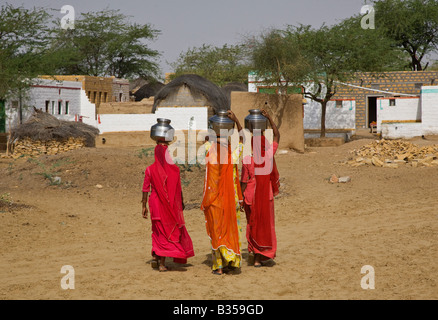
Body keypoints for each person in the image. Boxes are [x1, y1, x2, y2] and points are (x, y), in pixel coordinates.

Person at [202, 110, 244, 275]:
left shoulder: (207, 149)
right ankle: (231, 262)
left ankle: (219, 266)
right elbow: (242, 140)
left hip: (213, 198)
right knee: (230, 229)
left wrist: (215, 128)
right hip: (230, 199)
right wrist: (236, 121)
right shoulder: (232, 155)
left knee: (216, 230)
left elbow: (207, 138)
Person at [141, 139, 195, 272]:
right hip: (168, 206)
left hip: (154, 205)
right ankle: (161, 264)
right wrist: (181, 203)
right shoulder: (174, 170)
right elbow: (178, 189)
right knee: (166, 233)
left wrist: (143, 206)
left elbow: (145, 189)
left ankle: (155, 255)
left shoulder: (149, 170)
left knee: (157, 231)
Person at [241, 109, 280, 267]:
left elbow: (243, 181)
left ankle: (256, 257)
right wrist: (269, 118)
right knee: (266, 224)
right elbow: (277, 136)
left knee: (254, 224)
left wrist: (240, 197)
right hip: (266, 196)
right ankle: (263, 254)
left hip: (251, 197)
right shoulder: (268, 154)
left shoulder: (247, 158)